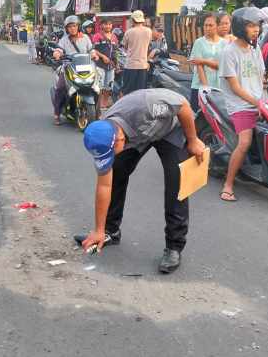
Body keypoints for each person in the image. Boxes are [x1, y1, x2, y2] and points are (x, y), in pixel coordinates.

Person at [76, 88, 206, 273]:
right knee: (118, 171)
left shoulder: (146, 106)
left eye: (112, 152)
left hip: (171, 128)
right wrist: (98, 229)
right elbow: (105, 185)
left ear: (119, 139)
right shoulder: (103, 134)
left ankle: (174, 246)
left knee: (176, 183)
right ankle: (110, 231)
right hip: (141, 134)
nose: (109, 156)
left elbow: (182, 105)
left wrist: (192, 140)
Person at [218, 7, 267, 202]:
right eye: (251, 26)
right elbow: (236, 87)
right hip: (239, 104)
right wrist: (257, 102)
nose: (256, 30)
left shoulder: (255, 49)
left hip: (258, 101)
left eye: (257, 26)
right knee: (244, 142)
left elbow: (261, 77)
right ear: (240, 27)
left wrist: (266, 98)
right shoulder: (229, 52)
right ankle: (228, 185)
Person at [51, 15, 99, 125]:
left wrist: (94, 55)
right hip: (68, 68)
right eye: (70, 27)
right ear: (66, 28)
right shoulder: (64, 40)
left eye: (74, 26)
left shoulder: (85, 38)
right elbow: (59, 49)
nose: (72, 28)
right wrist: (57, 53)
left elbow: (91, 50)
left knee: (96, 88)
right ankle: (57, 114)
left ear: (78, 26)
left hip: (85, 67)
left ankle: (97, 112)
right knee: (60, 88)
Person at [188, 11, 223, 110]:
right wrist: (205, 88)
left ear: (217, 26)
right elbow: (198, 66)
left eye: (211, 25)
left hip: (218, 87)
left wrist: (204, 61)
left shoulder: (224, 44)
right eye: (205, 25)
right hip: (200, 87)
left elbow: (222, 65)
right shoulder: (199, 42)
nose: (207, 28)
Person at [121, 10, 152, 95]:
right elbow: (148, 45)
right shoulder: (148, 31)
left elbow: (125, 46)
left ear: (133, 20)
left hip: (131, 65)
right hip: (143, 65)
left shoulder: (129, 32)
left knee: (128, 91)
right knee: (141, 92)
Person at [92, 19, 118, 110]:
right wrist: (103, 56)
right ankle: (98, 105)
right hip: (100, 65)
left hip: (111, 66)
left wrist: (116, 64)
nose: (108, 26)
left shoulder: (114, 37)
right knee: (99, 86)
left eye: (110, 24)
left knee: (108, 86)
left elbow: (116, 51)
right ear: (102, 26)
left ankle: (104, 104)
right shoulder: (97, 36)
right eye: (106, 24)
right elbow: (93, 49)